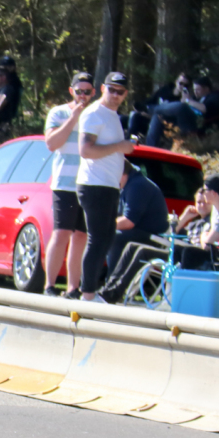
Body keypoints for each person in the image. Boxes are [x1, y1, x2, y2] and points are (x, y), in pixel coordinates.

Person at [77, 71, 135, 301]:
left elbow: (111, 149)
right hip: (94, 184)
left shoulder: (113, 116)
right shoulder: (94, 113)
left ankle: (91, 291)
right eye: (111, 90)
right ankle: (88, 294)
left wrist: (123, 149)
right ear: (102, 89)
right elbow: (86, 150)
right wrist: (119, 146)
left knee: (108, 236)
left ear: (125, 94)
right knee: (98, 238)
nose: (115, 95)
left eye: (120, 92)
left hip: (109, 186)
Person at [99, 186, 210, 303]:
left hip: (187, 258)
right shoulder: (194, 224)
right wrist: (185, 217)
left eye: (205, 203)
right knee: (131, 246)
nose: (201, 205)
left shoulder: (210, 223)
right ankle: (109, 288)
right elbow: (170, 234)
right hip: (178, 253)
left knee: (143, 251)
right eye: (199, 202)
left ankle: (115, 293)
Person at [41, 72, 94, 297]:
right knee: (61, 232)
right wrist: (73, 118)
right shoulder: (59, 112)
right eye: (79, 91)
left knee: (81, 236)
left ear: (93, 92)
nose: (83, 96)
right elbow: (51, 143)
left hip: (89, 182)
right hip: (65, 183)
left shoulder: (95, 114)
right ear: (71, 91)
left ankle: (73, 287)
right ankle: (50, 285)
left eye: (87, 92)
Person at [109, 159, 169, 268]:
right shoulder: (129, 185)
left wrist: (102, 226)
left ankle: (113, 279)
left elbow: (128, 222)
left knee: (114, 236)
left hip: (153, 237)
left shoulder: (137, 185)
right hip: (140, 233)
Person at [145, 76, 219, 148]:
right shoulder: (196, 97)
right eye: (194, 90)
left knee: (180, 106)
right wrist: (185, 101)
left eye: (198, 90)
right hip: (185, 122)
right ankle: (150, 147)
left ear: (206, 89)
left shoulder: (215, 97)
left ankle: (150, 108)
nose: (195, 92)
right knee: (159, 116)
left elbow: (205, 109)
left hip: (201, 125)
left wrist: (187, 101)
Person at [127, 71, 188, 138]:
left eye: (186, 85)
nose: (182, 86)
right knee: (128, 117)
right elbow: (152, 99)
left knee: (147, 117)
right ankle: (128, 142)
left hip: (162, 124)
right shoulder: (166, 90)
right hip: (149, 117)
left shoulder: (183, 100)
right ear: (176, 82)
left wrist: (184, 100)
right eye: (181, 83)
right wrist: (142, 107)